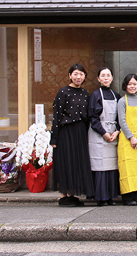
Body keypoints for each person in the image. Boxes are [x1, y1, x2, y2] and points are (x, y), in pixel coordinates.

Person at [51, 63, 95, 206]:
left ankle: (73, 194)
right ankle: (64, 195)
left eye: (81, 74)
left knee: (77, 162)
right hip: (66, 131)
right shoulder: (63, 92)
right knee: (67, 161)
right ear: (70, 75)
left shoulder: (85, 93)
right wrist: (54, 138)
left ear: (84, 77)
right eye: (75, 74)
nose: (78, 77)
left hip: (80, 131)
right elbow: (56, 116)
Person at [88, 67, 121, 206]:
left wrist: (117, 131)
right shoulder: (95, 95)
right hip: (98, 134)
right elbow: (92, 117)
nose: (106, 78)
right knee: (100, 166)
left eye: (108, 75)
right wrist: (104, 133)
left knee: (111, 166)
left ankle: (110, 196)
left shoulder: (117, 96)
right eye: (103, 75)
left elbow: (121, 117)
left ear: (112, 78)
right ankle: (100, 197)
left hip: (113, 133)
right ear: (98, 79)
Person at [117, 73, 137, 206]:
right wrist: (131, 137)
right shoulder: (122, 101)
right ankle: (128, 196)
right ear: (125, 85)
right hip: (127, 139)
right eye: (130, 84)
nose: (132, 86)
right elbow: (122, 121)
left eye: (134, 84)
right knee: (127, 167)